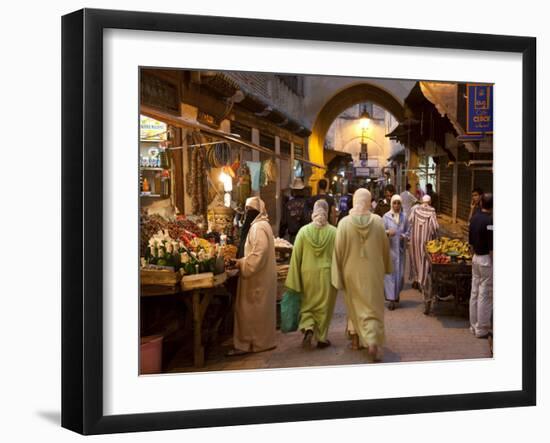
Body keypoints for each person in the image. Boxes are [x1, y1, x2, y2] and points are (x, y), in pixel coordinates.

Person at [331, 188, 392, 361]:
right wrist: (386, 267)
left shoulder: (344, 223)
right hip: (373, 271)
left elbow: (338, 251)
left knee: (355, 306)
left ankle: (356, 341)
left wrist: (339, 273)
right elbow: (384, 247)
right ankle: (372, 341)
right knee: (373, 307)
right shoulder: (378, 221)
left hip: (351, 272)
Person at [227, 197, 277, 356]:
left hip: (256, 281)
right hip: (260, 279)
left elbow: (258, 255)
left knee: (249, 312)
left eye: (250, 210)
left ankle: (250, 344)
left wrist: (241, 263)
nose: (247, 213)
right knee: (257, 312)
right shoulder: (262, 225)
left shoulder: (258, 228)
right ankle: (259, 342)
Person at [285, 200, 338, 348]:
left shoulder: (303, 232)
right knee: (324, 307)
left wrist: (293, 278)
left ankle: (308, 327)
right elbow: (338, 255)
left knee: (308, 304)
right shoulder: (334, 232)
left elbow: (296, 256)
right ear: (326, 212)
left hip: (307, 274)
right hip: (327, 275)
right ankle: (321, 338)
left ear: (313, 212)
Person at [469, 193, 493, 339]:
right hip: (485, 260)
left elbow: (470, 242)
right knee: (485, 293)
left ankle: (473, 325)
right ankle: (482, 328)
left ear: (481, 203)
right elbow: (492, 247)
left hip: (475, 258)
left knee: (475, 292)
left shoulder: (474, 218)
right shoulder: (490, 221)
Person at [408, 194, 439, 292]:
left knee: (415, 258)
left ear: (422, 201)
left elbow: (409, 221)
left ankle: (417, 279)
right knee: (424, 259)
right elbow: (435, 227)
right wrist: (436, 236)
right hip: (426, 240)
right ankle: (423, 281)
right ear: (429, 202)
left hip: (415, 239)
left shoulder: (415, 209)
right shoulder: (432, 211)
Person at [383, 195, 408, 311]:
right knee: (390, 275)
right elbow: (380, 232)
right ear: (391, 204)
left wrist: (404, 236)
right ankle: (391, 299)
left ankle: (396, 294)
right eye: (395, 203)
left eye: (398, 203)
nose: (396, 206)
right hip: (390, 250)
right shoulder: (386, 217)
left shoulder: (404, 217)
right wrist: (388, 233)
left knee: (400, 275)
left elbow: (408, 231)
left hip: (400, 251)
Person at [279, 178, 308, 243]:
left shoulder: (288, 204)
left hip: (293, 237)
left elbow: (283, 222)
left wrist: (280, 236)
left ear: (294, 191)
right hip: (305, 235)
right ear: (302, 190)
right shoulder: (307, 203)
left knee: (293, 252)